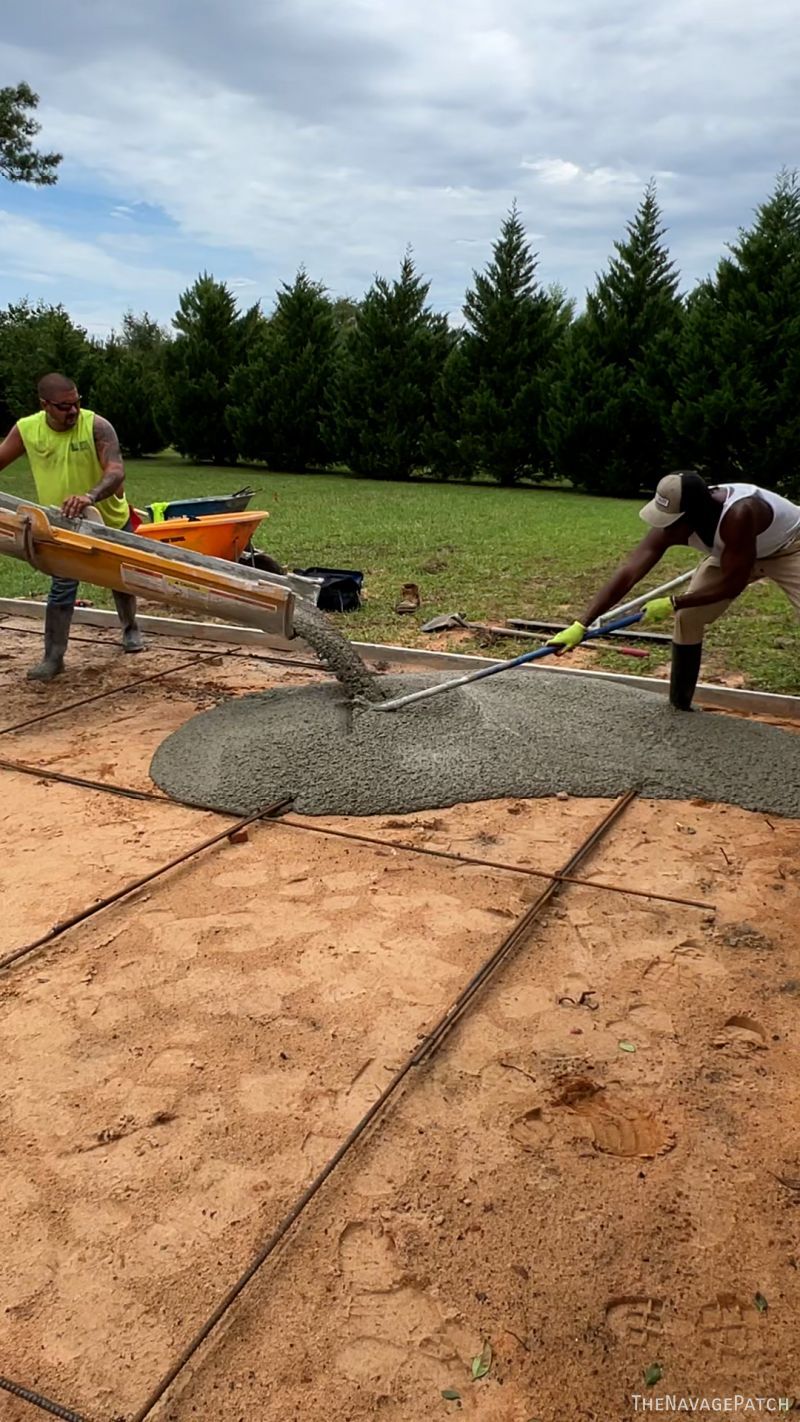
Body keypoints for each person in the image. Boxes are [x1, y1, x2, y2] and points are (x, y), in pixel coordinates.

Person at [547, 470, 800, 710]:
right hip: (732, 554)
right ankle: (680, 704)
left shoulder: (739, 513)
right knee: (689, 618)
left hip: (790, 549)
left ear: (696, 514)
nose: (664, 529)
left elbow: (733, 584)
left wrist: (674, 601)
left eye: (671, 522)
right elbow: (629, 571)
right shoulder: (676, 522)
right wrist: (582, 624)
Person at [0, 372, 144, 680]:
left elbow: (116, 471)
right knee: (62, 587)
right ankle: (53, 658)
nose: (73, 411)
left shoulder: (96, 425)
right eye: (64, 406)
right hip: (62, 526)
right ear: (44, 405)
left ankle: (131, 629)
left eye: (76, 403)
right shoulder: (27, 430)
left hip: (109, 520)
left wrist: (89, 496)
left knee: (121, 578)